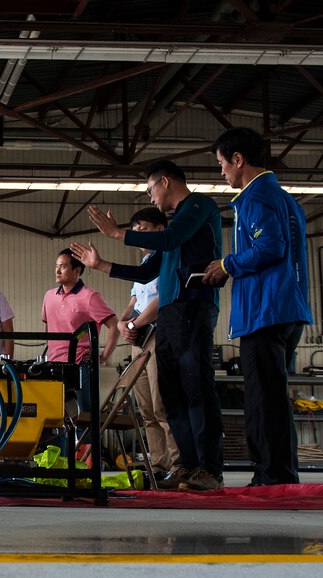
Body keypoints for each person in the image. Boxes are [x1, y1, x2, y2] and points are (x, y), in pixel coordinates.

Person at [79, 159, 225, 492]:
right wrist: (101, 264)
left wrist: (118, 233)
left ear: (164, 181)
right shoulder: (174, 233)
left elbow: (171, 238)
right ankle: (185, 466)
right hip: (171, 312)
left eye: (150, 190)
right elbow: (147, 272)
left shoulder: (197, 207)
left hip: (194, 306)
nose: (150, 198)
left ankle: (210, 469)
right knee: (171, 393)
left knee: (195, 387)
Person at [205, 127, 313, 486]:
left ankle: (271, 477)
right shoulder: (283, 198)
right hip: (287, 309)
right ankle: (278, 473)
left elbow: (270, 247)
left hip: (265, 312)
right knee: (273, 398)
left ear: (239, 160)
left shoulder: (256, 198)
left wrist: (227, 265)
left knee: (263, 401)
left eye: (223, 164)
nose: (222, 172)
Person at [74, 208, 179, 480]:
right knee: (145, 408)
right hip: (138, 341)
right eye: (136, 230)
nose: (138, 236)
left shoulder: (167, 259)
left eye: (143, 229)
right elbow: (133, 303)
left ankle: (179, 465)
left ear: (160, 230)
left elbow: (161, 300)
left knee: (162, 405)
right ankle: (159, 464)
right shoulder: (145, 265)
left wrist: (134, 325)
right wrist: (123, 324)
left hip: (156, 335)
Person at [41, 249, 121, 368]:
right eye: (56, 266)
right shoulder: (49, 296)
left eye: (63, 267)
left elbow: (115, 325)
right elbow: (49, 327)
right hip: (53, 362)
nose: (57, 271)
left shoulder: (90, 297)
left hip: (81, 364)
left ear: (76, 270)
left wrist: (103, 357)